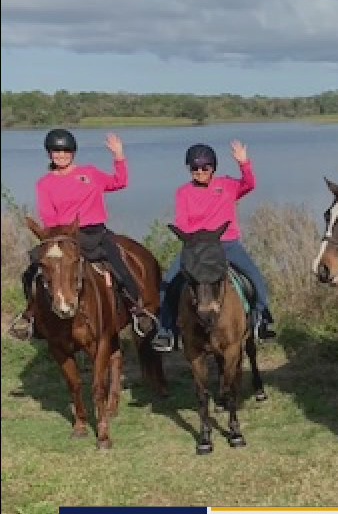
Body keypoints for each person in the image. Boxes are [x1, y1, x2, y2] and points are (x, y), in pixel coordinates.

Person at [8, 129, 158, 340]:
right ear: (50, 154)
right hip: (63, 236)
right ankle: (32, 316)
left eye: (65, 151)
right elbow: (49, 217)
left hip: (93, 231)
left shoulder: (90, 174)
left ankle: (137, 310)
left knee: (120, 264)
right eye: (56, 151)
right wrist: (57, 239)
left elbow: (119, 182)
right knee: (32, 269)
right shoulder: (45, 183)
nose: (61, 155)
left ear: (73, 153)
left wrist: (119, 156)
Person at [151, 141, 277, 352]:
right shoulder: (183, 192)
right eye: (194, 168)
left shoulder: (227, 185)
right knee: (167, 284)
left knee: (255, 278)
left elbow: (249, 184)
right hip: (196, 248)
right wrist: (192, 239)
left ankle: (261, 320)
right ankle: (166, 331)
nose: (199, 172)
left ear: (213, 168)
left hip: (226, 244)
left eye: (204, 167)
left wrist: (244, 163)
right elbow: (182, 221)